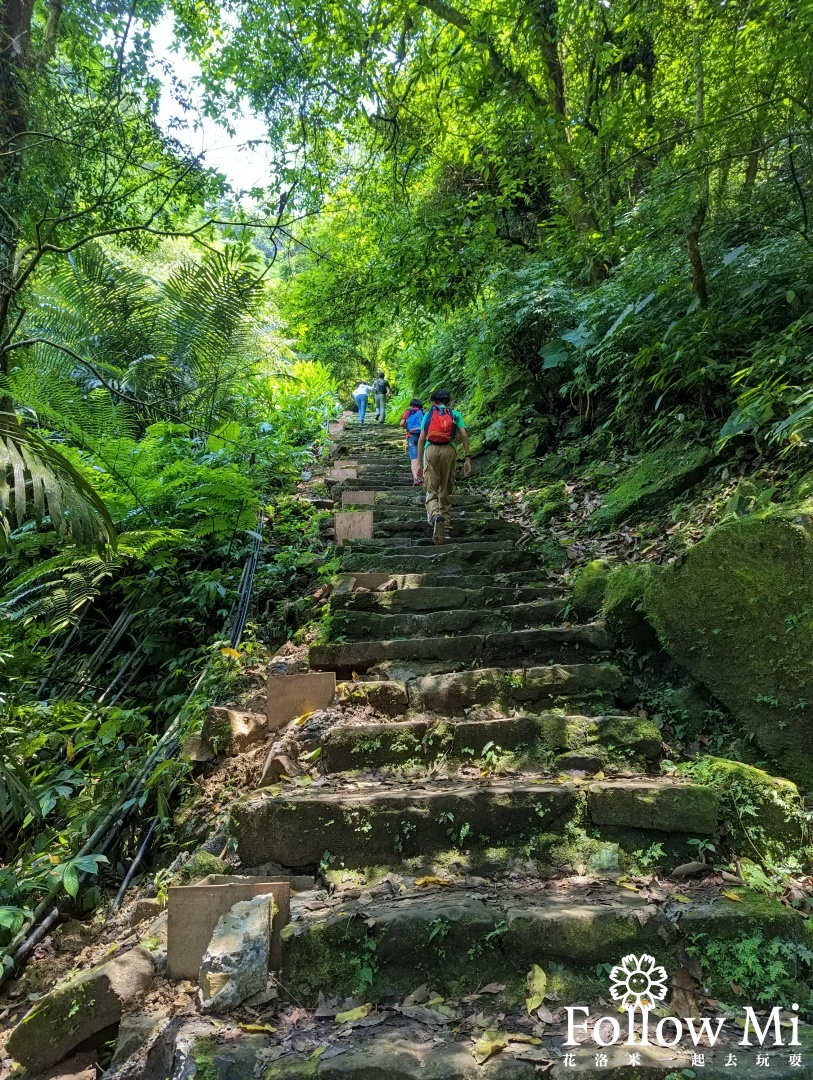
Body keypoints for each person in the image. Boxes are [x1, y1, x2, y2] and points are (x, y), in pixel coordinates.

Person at [415, 388, 471, 544]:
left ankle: (434, 515)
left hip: (430, 449)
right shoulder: (455, 414)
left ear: (432, 402)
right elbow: (464, 435)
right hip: (449, 450)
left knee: (431, 488)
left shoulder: (428, 414)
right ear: (450, 402)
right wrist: (467, 458)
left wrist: (419, 464)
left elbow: (420, 439)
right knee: (445, 487)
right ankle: (445, 529)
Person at [399, 398, 425, 484]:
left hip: (412, 436)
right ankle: (424, 477)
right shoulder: (423, 412)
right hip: (423, 436)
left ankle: (416, 479)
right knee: (423, 457)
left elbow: (401, 423)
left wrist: (409, 428)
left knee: (414, 459)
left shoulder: (409, 411)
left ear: (411, 405)